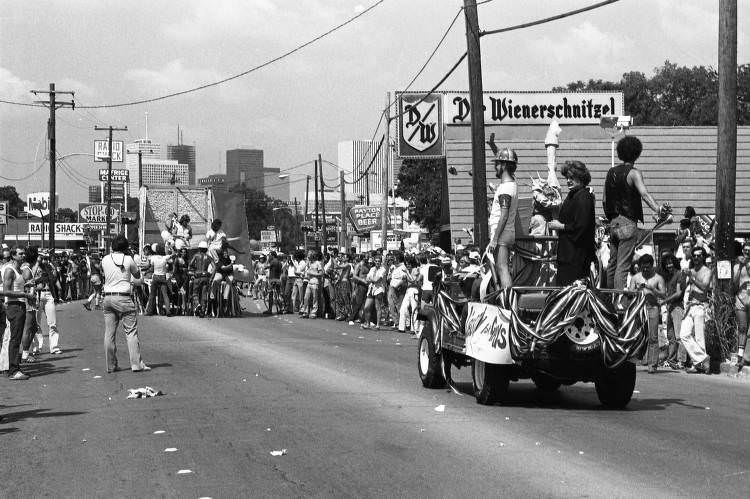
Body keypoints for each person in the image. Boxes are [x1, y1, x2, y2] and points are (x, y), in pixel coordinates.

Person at [602, 135, 669, 292]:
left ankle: (609, 296)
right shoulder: (634, 173)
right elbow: (644, 195)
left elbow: (604, 199)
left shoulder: (610, 172)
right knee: (623, 265)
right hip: (628, 222)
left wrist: (612, 218)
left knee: (612, 263)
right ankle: (618, 297)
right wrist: (658, 210)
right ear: (636, 153)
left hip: (613, 222)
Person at [102, 235, 150, 373]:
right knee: (131, 333)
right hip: (124, 298)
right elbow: (137, 277)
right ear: (126, 247)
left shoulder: (105, 259)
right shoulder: (128, 259)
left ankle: (111, 366)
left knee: (109, 333)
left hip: (108, 298)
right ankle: (136, 364)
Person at [548, 160, 596, 286]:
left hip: (576, 256)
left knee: (572, 292)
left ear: (581, 178)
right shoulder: (573, 194)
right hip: (568, 254)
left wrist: (560, 226)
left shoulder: (583, 197)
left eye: (572, 178)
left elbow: (582, 226)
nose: (568, 180)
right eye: (567, 178)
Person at [1, 246, 37, 379]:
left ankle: (16, 367)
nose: (23, 256)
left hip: (20, 304)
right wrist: (25, 294)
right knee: (15, 339)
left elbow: (18, 286)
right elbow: (6, 291)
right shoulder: (10, 271)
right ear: (13, 256)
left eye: (23, 254)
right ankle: (13, 370)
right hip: (14, 306)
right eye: (20, 254)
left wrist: (28, 287)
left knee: (17, 337)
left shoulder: (19, 270)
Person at [487, 147, 518, 289]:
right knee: (501, 268)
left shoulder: (506, 188)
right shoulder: (509, 185)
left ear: (504, 165)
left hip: (502, 234)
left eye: (497, 164)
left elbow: (504, 215)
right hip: (505, 233)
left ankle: (508, 303)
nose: (495, 167)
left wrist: (495, 239)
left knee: (502, 268)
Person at [628, 254, 666, 373]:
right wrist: (637, 290)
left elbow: (663, 294)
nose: (645, 270)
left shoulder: (658, 278)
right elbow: (629, 293)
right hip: (639, 309)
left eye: (647, 267)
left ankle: (652, 365)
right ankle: (635, 360)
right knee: (637, 335)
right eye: (643, 267)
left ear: (652, 266)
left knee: (653, 337)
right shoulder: (636, 277)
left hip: (652, 308)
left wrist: (652, 289)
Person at [679, 247, 712, 374]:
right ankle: (702, 359)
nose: (697, 258)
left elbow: (704, 287)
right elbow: (682, 288)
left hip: (700, 305)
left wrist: (691, 277)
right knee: (684, 334)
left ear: (703, 257)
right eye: (695, 256)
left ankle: (697, 364)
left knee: (699, 337)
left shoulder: (707, 271)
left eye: (699, 256)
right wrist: (683, 277)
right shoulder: (690, 271)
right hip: (689, 305)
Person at [659, 253, 687, 369]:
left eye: (670, 263)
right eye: (666, 264)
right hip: (670, 307)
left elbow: (679, 292)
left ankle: (681, 361)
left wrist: (665, 300)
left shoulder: (679, 274)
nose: (669, 265)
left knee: (679, 336)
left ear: (675, 262)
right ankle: (671, 360)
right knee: (670, 336)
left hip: (677, 307)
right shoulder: (668, 276)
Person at [33, 250, 63, 354]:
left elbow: (53, 280)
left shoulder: (49, 267)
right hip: (37, 295)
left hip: (49, 294)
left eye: (46, 258)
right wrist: (37, 265)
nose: (44, 260)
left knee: (52, 322)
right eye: (42, 258)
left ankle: (54, 347)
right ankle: (37, 346)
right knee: (36, 323)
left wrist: (53, 271)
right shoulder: (33, 266)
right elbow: (30, 278)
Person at [732, 240, 750, 368]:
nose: (747, 252)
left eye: (749, 250)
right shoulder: (737, 264)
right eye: (745, 250)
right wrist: (740, 267)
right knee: (742, 328)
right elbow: (734, 282)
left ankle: (747, 357)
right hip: (741, 299)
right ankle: (740, 356)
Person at [145, 243, 174, 316]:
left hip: (155, 277)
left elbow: (151, 268)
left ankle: (149, 311)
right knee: (165, 295)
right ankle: (168, 311)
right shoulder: (165, 258)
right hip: (163, 277)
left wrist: (146, 271)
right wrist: (170, 247)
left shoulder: (153, 258)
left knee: (152, 294)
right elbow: (173, 254)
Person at [188, 241, 214, 317]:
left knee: (195, 293)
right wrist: (211, 277)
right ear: (206, 249)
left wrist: (193, 271)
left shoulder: (196, 255)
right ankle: (202, 311)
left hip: (197, 276)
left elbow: (190, 265)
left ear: (199, 249)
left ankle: (198, 304)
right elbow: (215, 267)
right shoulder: (209, 257)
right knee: (204, 294)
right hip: (205, 277)